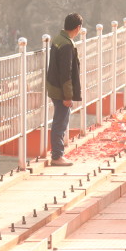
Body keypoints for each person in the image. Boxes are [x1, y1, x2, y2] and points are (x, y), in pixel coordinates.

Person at [45, 13, 83, 167]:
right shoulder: (67, 44)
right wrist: (68, 96)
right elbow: (66, 73)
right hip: (61, 91)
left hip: (54, 86)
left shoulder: (57, 40)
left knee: (59, 121)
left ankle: (57, 154)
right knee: (60, 122)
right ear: (78, 28)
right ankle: (57, 156)